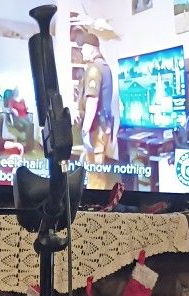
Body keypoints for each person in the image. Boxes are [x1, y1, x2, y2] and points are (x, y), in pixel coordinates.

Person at [77, 33, 115, 188]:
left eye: (83, 48)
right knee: (97, 166)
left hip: (95, 128)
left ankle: (95, 200)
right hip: (103, 126)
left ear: (92, 49)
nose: (81, 51)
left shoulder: (94, 68)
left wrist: (85, 130)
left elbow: (92, 100)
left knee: (94, 170)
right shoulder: (105, 66)